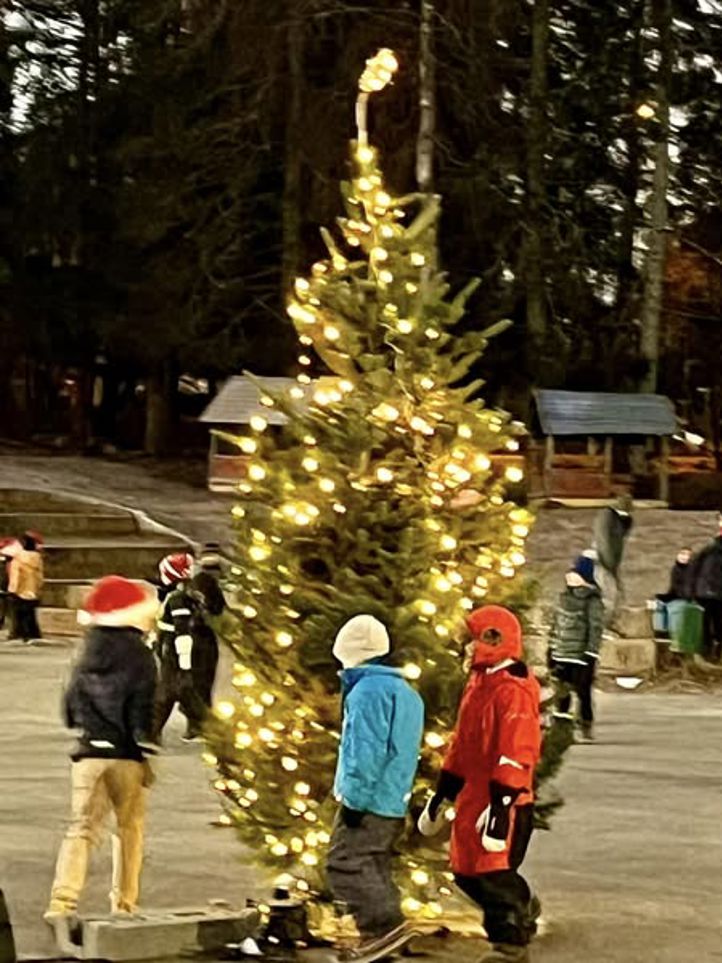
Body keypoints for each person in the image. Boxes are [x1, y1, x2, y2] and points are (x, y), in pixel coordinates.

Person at [420, 606, 541, 963]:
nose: (467, 648)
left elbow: (517, 751)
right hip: (474, 795)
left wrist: (502, 805)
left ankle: (510, 942)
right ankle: (523, 905)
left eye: (474, 640)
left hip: (504, 799)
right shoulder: (479, 683)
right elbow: (463, 742)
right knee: (465, 870)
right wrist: (445, 789)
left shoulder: (514, 690)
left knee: (492, 874)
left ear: (493, 639)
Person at [44, 575, 159, 930]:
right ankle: (124, 904)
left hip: (89, 754)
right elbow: (143, 710)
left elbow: (68, 710)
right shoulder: (141, 655)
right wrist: (145, 747)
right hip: (126, 755)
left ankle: (62, 903)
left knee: (81, 829)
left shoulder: (84, 652)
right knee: (128, 830)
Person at [326, 614, 424, 947]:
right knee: (375, 862)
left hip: (368, 798)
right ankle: (391, 931)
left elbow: (363, 752)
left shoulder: (367, 692)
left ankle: (381, 929)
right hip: (393, 798)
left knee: (344, 863)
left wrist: (354, 800)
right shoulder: (404, 690)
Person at [153, 551, 222, 743]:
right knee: (190, 689)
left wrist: (184, 661)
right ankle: (200, 726)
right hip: (187, 648)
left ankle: (151, 731)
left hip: (178, 650)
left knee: (169, 691)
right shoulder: (183, 595)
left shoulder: (177, 598)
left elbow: (181, 629)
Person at [547, 555, 604, 742]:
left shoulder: (592, 601)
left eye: (575, 574)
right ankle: (561, 726)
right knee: (561, 691)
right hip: (562, 653)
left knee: (583, 691)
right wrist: (552, 648)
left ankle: (586, 724)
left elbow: (595, 627)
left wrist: (591, 652)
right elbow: (555, 625)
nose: (570, 576)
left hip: (581, 655)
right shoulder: (563, 598)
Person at [592, 493, 633, 625]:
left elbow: (623, 534)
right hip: (605, 560)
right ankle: (603, 623)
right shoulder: (606, 516)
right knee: (608, 592)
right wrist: (608, 563)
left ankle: (611, 621)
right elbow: (604, 540)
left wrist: (626, 519)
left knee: (615, 592)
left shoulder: (620, 518)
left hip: (613, 561)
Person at [690, 514, 722, 661]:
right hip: (708, 591)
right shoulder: (710, 547)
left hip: (711, 591)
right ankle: (707, 654)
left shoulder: (711, 547)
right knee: (707, 624)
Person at [8, 532, 44, 644]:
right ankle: (33, 633)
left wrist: (12, 589)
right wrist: (38, 588)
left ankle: (19, 633)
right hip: (32, 590)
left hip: (20, 590)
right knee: (30, 614)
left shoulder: (18, 558)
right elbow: (40, 576)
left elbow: (16, 576)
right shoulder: (37, 558)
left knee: (19, 614)